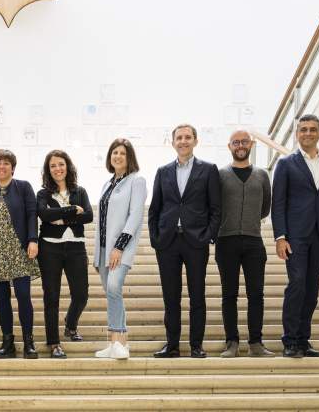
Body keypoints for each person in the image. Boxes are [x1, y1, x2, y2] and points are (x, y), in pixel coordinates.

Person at [272, 114, 319, 358]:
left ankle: (303, 339)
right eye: (303, 130)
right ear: (297, 134)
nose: (308, 133)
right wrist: (280, 236)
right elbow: (277, 203)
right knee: (297, 285)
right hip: (295, 236)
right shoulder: (285, 163)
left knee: (312, 289)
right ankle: (290, 340)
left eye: (312, 129)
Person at [148, 124, 220, 359]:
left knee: (197, 295)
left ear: (195, 141)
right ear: (173, 143)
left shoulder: (208, 170)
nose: (183, 141)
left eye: (188, 137)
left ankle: (196, 345)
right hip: (168, 242)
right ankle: (172, 345)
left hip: (195, 241)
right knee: (171, 297)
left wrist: (208, 234)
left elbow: (216, 209)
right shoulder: (163, 171)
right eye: (179, 138)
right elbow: (155, 208)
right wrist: (155, 238)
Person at [216, 130, 274, 357]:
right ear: (229, 146)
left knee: (256, 294)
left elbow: (265, 208)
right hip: (226, 240)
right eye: (236, 142)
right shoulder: (220, 175)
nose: (240, 145)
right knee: (229, 294)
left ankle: (256, 343)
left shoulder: (261, 175)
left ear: (251, 145)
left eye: (244, 141)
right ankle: (232, 342)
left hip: (253, 242)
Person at [36, 149, 92, 359]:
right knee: (51, 296)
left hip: (76, 247)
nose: (57, 169)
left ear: (67, 166)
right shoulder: (43, 194)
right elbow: (44, 214)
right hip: (50, 248)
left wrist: (59, 218)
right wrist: (71, 211)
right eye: (53, 166)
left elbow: (88, 216)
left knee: (81, 294)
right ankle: (54, 343)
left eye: (61, 164)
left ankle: (70, 324)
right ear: (48, 170)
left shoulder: (80, 191)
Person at [94, 138, 146, 360]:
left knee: (114, 288)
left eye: (122, 153)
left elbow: (135, 216)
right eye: (114, 152)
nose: (117, 156)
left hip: (119, 249)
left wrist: (119, 247)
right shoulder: (108, 184)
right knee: (111, 293)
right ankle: (117, 343)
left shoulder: (137, 181)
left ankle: (119, 340)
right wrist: (99, 254)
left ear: (129, 157)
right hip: (103, 249)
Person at [0, 149, 40, 359]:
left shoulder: (23, 187)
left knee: (23, 296)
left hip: (19, 249)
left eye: (6, 163)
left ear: (12, 167)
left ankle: (29, 341)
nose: (2, 166)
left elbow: (31, 214)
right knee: (2, 299)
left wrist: (33, 240)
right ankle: (7, 342)